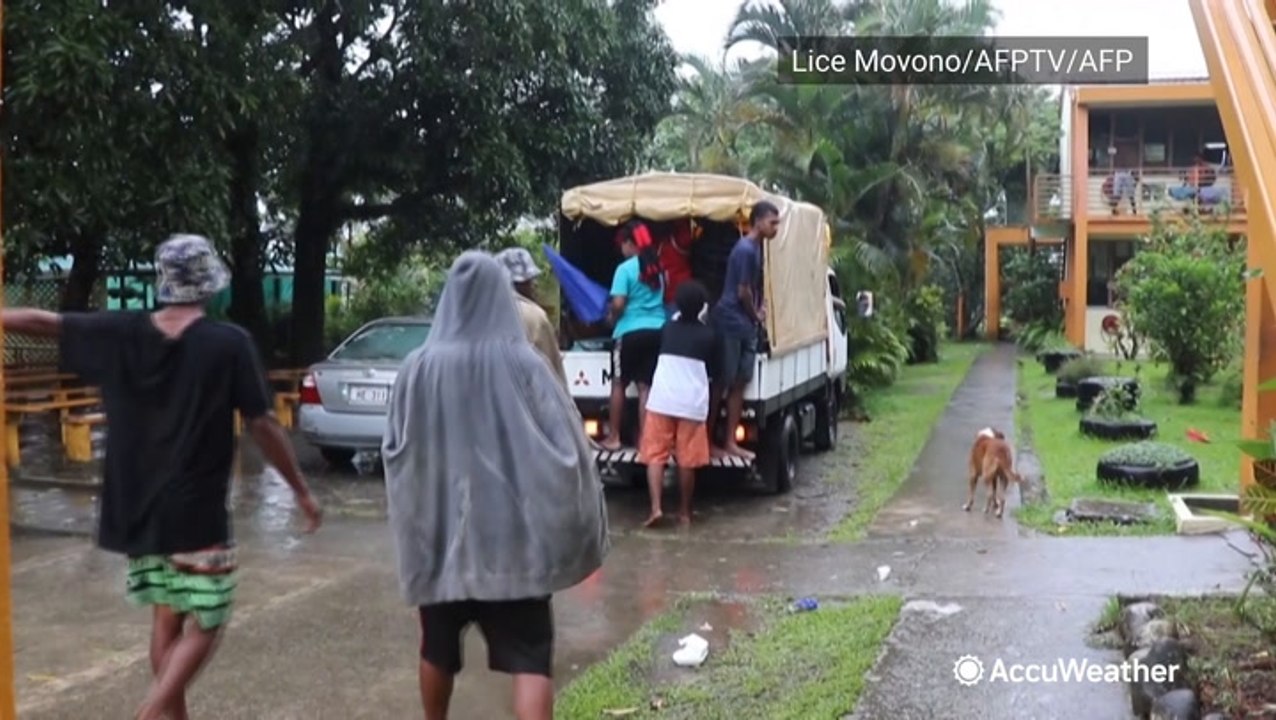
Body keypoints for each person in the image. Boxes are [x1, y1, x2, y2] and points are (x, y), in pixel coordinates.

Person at [1, 234, 323, 720]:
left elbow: (45, 323)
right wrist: (301, 490)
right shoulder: (229, 343)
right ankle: (150, 712)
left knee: (167, 613)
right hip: (196, 509)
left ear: (164, 283)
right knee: (209, 618)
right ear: (209, 286)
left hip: (135, 506)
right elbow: (263, 424)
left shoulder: (121, 333)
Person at [383, 251, 608, 720]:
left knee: (436, 648)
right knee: (530, 659)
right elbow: (565, 442)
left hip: (441, 537)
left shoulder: (416, 368)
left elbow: (396, 451)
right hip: (514, 540)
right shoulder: (524, 364)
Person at [638, 280, 716, 528]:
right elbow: (715, 372)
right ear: (703, 308)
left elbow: (676, 319)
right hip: (691, 405)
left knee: (655, 455)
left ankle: (656, 508)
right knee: (687, 460)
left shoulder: (667, 330)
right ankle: (684, 513)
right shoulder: (708, 335)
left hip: (662, 400)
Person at [708, 201, 781, 460]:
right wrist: (756, 315)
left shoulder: (757, 249)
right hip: (731, 321)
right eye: (772, 223)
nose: (776, 228)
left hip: (744, 325)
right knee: (722, 382)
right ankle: (708, 440)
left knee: (739, 382)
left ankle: (729, 441)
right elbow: (743, 291)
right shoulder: (745, 250)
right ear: (758, 221)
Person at [599, 220, 667, 451]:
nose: (621, 249)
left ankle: (615, 437)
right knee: (645, 387)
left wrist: (611, 318)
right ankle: (647, 442)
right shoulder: (657, 268)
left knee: (619, 383)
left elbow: (618, 303)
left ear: (630, 243)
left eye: (622, 244)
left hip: (629, 332)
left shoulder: (625, 269)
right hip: (657, 332)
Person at [494, 246, 568, 392]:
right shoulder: (535, 317)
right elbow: (553, 372)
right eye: (529, 280)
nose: (534, 285)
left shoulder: (483, 314)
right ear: (518, 284)